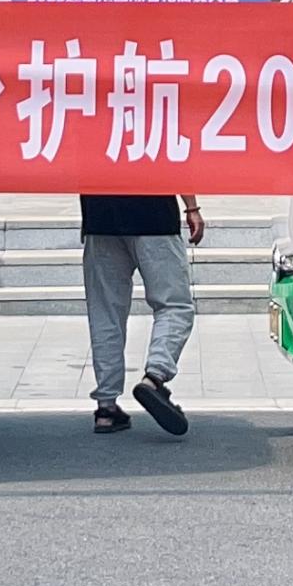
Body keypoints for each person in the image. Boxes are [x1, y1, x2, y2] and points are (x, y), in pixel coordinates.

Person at [82, 185, 202, 437]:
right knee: (174, 305)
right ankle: (155, 377)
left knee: (105, 313)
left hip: (100, 217)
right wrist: (191, 207)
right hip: (155, 215)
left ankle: (106, 407)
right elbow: (177, 161)